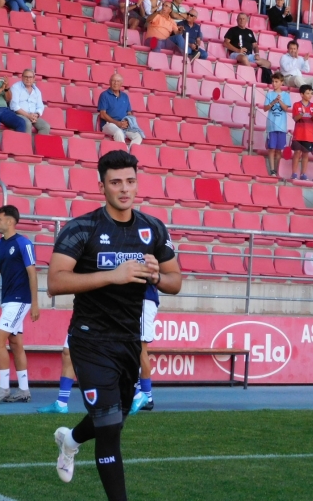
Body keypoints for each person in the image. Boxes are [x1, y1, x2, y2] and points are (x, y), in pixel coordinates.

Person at [48, 150, 181, 499]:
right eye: (116, 182)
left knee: (113, 419)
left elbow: (175, 281)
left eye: (130, 181)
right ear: (102, 185)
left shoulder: (152, 228)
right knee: (109, 428)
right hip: (90, 340)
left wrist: (155, 276)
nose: (124, 189)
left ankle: (71, 439)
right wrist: (113, 275)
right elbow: (56, 282)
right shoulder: (82, 228)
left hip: (127, 342)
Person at [0, 205, 39, 404]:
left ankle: (3, 388)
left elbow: (32, 272)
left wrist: (35, 303)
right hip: (8, 301)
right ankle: (24, 390)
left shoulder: (24, 243)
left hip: (20, 300)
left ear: (10, 221)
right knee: (15, 343)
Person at [129, 283, 159, 413]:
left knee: (140, 350)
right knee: (134, 349)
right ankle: (142, 395)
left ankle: (147, 397)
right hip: (137, 300)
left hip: (143, 299)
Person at [98, 73, 144, 145]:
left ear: (121, 83)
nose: (115, 83)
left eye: (118, 81)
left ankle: (128, 155)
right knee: (119, 132)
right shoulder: (104, 95)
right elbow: (103, 115)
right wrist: (117, 123)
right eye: (113, 81)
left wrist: (127, 122)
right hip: (109, 125)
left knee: (138, 136)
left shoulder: (125, 96)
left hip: (122, 124)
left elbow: (129, 113)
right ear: (110, 82)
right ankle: (123, 155)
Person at [263, 72, 291, 177]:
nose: (274, 84)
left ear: (281, 83)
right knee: (272, 148)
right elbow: (265, 108)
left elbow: (286, 109)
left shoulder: (286, 95)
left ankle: (277, 169)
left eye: (276, 81)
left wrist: (280, 102)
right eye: (273, 81)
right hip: (271, 126)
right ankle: (272, 169)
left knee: (279, 150)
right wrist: (274, 102)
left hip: (282, 127)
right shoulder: (269, 94)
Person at [9, 69, 51, 135]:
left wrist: (36, 115)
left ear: (34, 78)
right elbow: (14, 106)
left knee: (45, 126)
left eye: (30, 77)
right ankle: (27, 145)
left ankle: (39, 145)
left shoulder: (37, 91)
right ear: (22, 77)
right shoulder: (15, 87)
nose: (28, 79)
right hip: (19, 114)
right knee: (27, 123)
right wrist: (28, 116)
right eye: (26, 77)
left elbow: (40, 106)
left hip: (33, 116)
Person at [290, 84, 313, 181]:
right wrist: (301, 113)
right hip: (298, 134)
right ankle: (294, 173)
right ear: (302, 94)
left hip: (309, 135)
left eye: (311, 93)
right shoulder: (296, 105)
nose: (310, 95)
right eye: (307, 93)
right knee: (297, 153)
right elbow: (295, 118)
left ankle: (303, 174)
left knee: (306, 154)